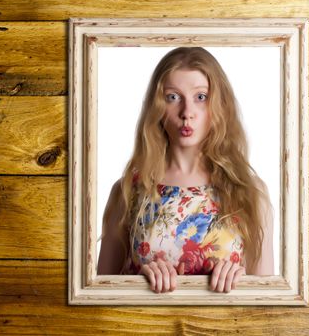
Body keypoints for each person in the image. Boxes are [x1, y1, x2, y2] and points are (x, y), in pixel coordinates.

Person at [97, 47, 274, 294]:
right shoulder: (129, 190)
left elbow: (267, 301)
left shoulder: (250, 191)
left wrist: (240, 279)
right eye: (173, 97)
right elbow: (99, 294)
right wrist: (139, 281)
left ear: (219, 105)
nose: (186, 113)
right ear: (157, 107)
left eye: (200, 97)